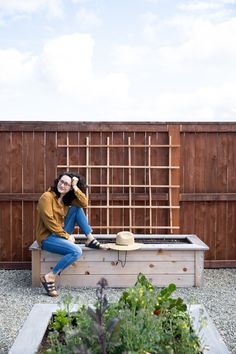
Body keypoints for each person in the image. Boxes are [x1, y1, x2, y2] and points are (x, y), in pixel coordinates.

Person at [36, 172, 102, 297]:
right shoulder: (47, 197)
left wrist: (76, 187)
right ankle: (50, 276)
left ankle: (90, 238)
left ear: (70, 187)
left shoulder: (66, 201)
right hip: (47, 238)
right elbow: (49, 223)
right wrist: (66, 236)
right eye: (61, 182)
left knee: (78, 208)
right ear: (57, 182)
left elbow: (84, 203)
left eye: (67, 184)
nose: (63, 185)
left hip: (59, 234)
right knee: (76, 251)